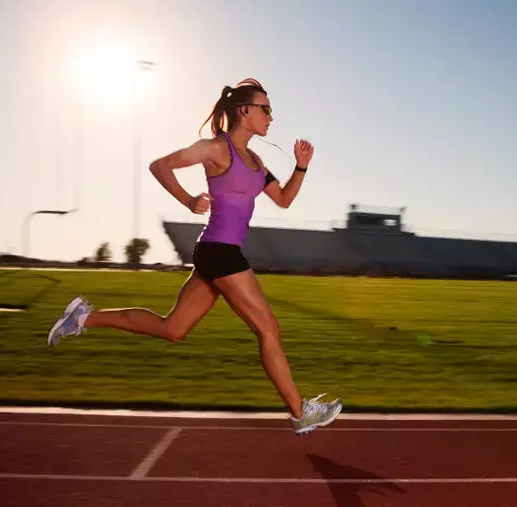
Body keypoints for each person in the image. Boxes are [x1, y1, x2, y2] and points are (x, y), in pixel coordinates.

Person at [47, 78, 342, 436]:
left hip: (216, 253)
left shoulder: (256, 161)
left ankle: (84, 318)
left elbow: (283, 199)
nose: (270, 117)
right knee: (268, 328)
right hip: (221, 252)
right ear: (244, 111)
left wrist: (301, 166)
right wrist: (188, 201)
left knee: (173, 329)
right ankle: (300, 411)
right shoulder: (216, 149)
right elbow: (160, 166)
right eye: (265, 109)